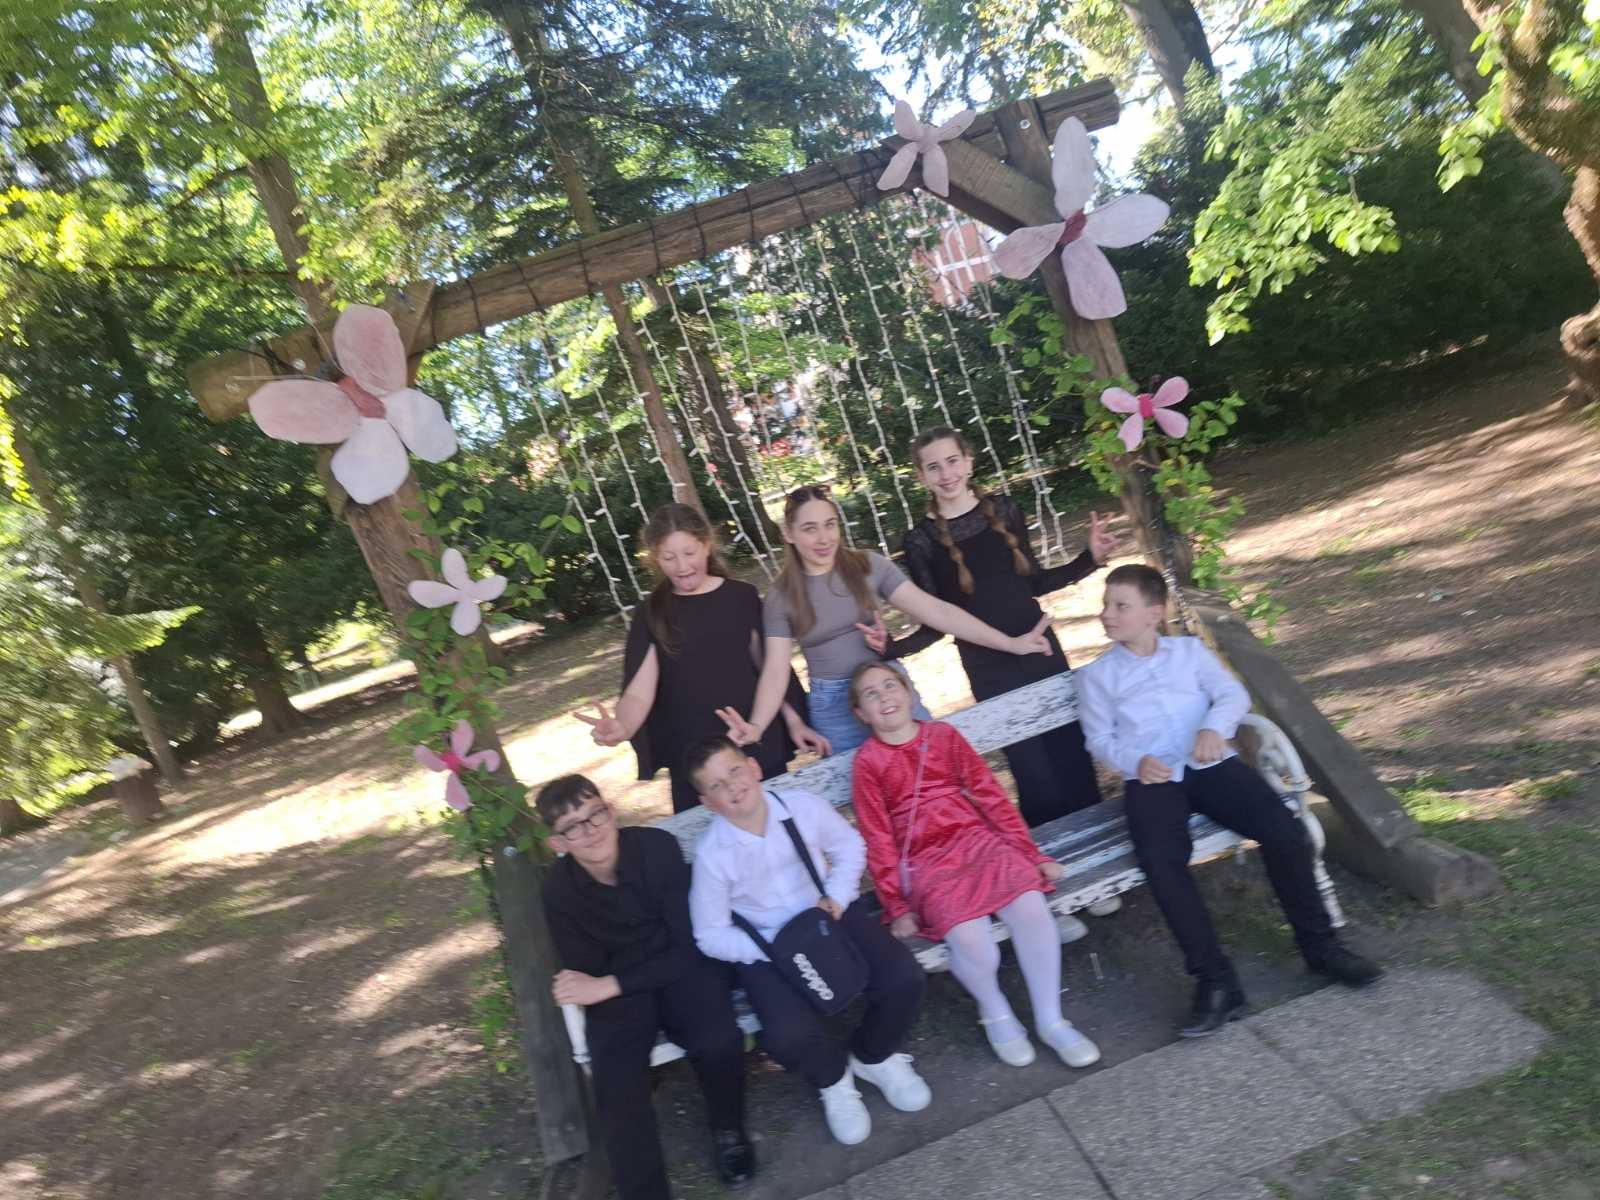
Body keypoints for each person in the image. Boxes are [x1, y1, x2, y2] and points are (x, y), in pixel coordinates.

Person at [1075, 564, 1385, 1039]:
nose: (1107, 615)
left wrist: (1212, 729)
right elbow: (1099, 739)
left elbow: (1231, 694)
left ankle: (1321, 947)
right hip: (1154, 779)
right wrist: (1135, 761)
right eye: (1106, 605)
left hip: (1210, 764)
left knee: (1285, 833)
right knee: (1161, 864)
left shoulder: (1187, 652)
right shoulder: (1098, 677)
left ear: (1154, 613)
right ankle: (1216, 981)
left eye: (1120, 606)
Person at [847, 662, 1102, 1069]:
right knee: (973, 942)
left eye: (890, 686)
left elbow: (990, 796)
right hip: (925, 860)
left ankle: (1051, 1020)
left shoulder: (943, 736)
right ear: (861, 713)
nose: (884, 697)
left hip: (976, 841)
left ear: (909, 693)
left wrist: (1031, 854)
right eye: (871, 694)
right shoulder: (868, 762)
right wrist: (896, 904)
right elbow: (877, 837)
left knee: (1032, 909)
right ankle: (995, 1010)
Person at [685, 735, 930, 1146]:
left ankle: (874, 1055)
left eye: (735, 771)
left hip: (827, 915)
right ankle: (832, 1078)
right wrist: (767, 950)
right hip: (768, 945)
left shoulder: (802, 807)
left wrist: (837, 897)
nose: (732, 787)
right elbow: (709, 934)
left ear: (754, 768)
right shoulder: (713, 856)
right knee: (787, 1036)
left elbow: (849, 846)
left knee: (903, 977)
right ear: (707, 803)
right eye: (716, 786)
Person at [876, 427, 1118, 829]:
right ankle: (1047, 853)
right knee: (1032, 772)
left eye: (952, 461)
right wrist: (890, 648)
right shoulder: (920, 541)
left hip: (1039, 646)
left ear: (969, 462)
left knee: (1071, 754)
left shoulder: (1004, 510)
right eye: (933, 467)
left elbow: (1035, 582)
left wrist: (1088, 558)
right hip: (987, 665)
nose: (946, 474)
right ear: (920, 476)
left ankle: (1096, 841)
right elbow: (935, 623)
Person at [537, 775, 755, 1199]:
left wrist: (613, 982)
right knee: (615, 1077)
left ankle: (728, 1130)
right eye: (573, 827)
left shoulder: (657, 849)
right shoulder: (559, 891)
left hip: (677, 966)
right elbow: (585, 968)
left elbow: (687, 944)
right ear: (558, 843)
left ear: (611, 811)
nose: (591, 830)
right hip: (619, 991)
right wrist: (612, 985)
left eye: (595, 814)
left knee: (717, 1038)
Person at [718, 485, 1053, 757]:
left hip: (889, 687)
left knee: (932, 777)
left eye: (830, 524)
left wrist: (1010, 643)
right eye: (810, 528)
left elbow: (937, 611)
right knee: (873, 803)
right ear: (789, 533)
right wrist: (757, 726)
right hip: (835, 706)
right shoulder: (781, 596)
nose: (823, 538)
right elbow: (775, 670)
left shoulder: (868, 566)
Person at [576, 503, 828, 813]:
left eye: (689, 553)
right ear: (655, 558)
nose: (682, 566)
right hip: (693, 756)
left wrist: (794, 721)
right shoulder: (651, 613)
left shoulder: (741, 596)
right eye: (669, 558)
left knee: (771, 823)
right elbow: (639, 692)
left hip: (750, 741)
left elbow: (771, 670)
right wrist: (623, 726)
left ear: (707, 545)